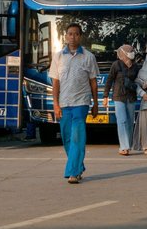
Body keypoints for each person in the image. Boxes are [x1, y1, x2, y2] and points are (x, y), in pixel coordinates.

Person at [49, 23, 99, 184]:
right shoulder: (58, 57)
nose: (73, 37)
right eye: (70, 34)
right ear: (66, 36)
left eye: (76, 34)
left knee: (78, 136)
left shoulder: (88, 56)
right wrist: (55, 104)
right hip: (64, 103)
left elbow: (93, 83)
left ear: (81, 36)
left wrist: (95, 104)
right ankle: (78, 166)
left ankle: (72, 173)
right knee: (67, 139)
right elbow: (55, 83)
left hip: (81, 103)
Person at [103, 44, 139, 156]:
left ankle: (128, 145)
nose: (131, 53)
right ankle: (124, 147)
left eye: (131, 51)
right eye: (128, 51)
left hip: (131, 97)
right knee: (122, 120)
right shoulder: (116, 65)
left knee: (129, 121)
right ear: (122, 53)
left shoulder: (136, 66)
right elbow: (109, 80)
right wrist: (105, 96)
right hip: (118, 96)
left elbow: (140, 81)